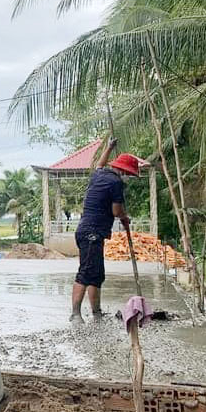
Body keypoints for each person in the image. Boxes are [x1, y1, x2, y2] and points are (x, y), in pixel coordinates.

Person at [71, 138, 140, 323]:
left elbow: (99, 163)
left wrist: (109, 147)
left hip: (88, 231)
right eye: (129, 174)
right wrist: (125, 219)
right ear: (124, 171)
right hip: (91, 232)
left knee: (97, 274)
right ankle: (75, 314)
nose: (128, 177)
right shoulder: (116, 183)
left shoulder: (99, 174)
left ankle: (96, 312)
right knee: (86, 272)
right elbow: (116, 211)